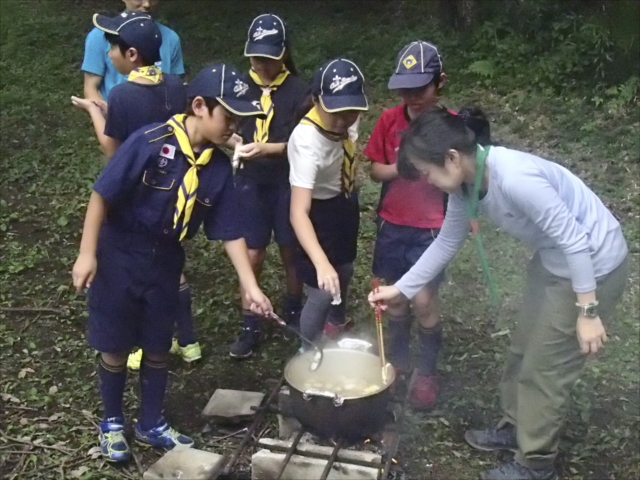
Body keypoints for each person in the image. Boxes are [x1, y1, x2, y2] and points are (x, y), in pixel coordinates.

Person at [368, 107, 628, 480]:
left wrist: (587, 312)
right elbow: (446, 242)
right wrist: (401, 289)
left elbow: (575, 241)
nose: (427, 181)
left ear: (452, 158)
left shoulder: (517, 179)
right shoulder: (466, 186)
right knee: (523, 348)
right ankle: (516, 430)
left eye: (427, 173)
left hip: (594, 265)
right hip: (553, 262)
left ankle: (536, 464)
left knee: (546, 368)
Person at [71, 63, 273, 462]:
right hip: (121, 252)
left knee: (158, 344)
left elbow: (230, 231)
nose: (235, 127)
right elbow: (102, 194)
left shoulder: (216, 166)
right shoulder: (149, 141)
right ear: (199, 106)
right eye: (228, 116)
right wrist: (86, 252)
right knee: (114, 345)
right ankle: (112, 422)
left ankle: (150, 422)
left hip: (166, 259)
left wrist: (250, 285)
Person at [71, 12, 199, 370]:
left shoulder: (124, 93)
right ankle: (188, 338)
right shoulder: (175, 85)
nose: (109, 53)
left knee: (137, 268)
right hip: (173, 186)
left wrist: (95, 110)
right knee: (170, 263)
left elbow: (113, 151)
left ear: (131, 55)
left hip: (135, 190)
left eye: (114, 47)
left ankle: (138, 342)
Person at [364, 41, 449, 410]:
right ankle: (397, 364)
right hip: (392, 225)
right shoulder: (389, 121)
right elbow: (374, 171)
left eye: (421, 88)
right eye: (406, 89)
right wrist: (403, 168)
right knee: (396, 303)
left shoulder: (450, 125)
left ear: (440, 82)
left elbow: (463, 180)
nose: (413, 96)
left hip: (432, 229)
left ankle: (426, 373)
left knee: (425, 301)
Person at [228, 14, 310, 359]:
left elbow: (304, 141)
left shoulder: (299, 89)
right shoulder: (238, 86)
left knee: (290, 249)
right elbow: (225, 128)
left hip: (287, 179)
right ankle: (251, 322)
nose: (260, 65)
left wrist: (269, 149)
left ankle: (294, 310)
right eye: (255, 58)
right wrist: (234, 144)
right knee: (252, 253)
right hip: (250, 182)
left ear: (284, 54)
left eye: (268, 58)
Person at [288, 58, 368, 346]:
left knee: (344, 267)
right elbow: (298, 212)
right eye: (335, 112)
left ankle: (336, 323)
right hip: (315, 213)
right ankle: (306, 353)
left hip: (343, 200)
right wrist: (320, 262)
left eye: (350, 112)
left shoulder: (350, 116)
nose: (343, 120)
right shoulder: (306, 141)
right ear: (316, 100)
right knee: (321, 289)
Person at [81, 0, 184, 102]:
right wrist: (110, 115)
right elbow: (91, 89)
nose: (147, 4)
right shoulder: (99, 36)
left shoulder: (171, 39)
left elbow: (176, 90)